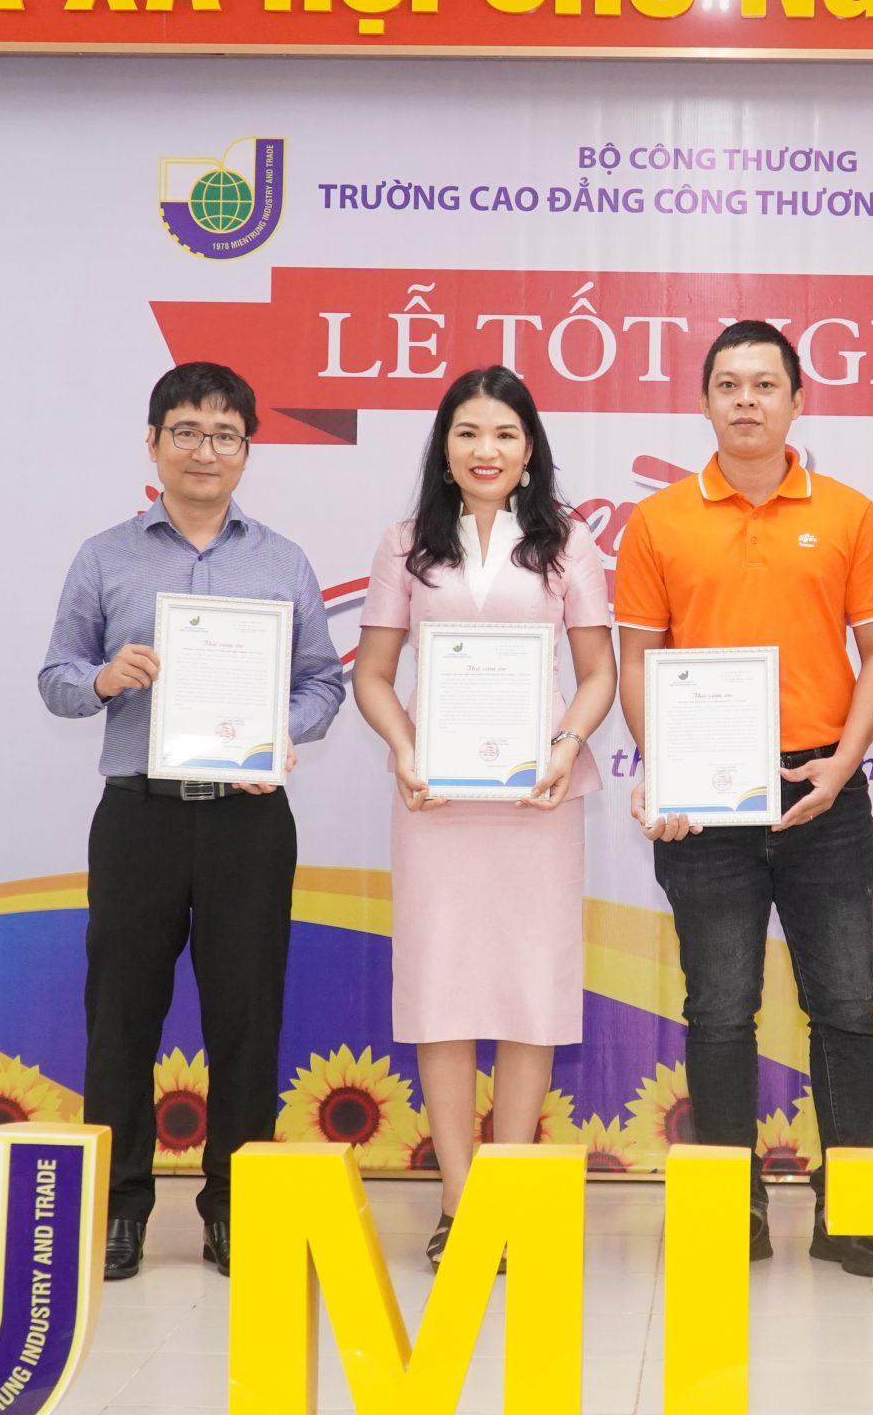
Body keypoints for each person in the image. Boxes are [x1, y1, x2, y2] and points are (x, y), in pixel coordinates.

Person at [37, 361, 347, 1281]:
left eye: (224, 435)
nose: (204, 451)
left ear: (247, 450)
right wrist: (103, 679)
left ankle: (236, 1209)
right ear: (153, 443)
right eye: (186, 432)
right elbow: (55, 677)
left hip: (249, 820)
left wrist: (280, 734)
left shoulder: (282, 561)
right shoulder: (106, 556)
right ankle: (118, 1208)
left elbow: (323, 683)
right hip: (139, 816)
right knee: (120, 1017)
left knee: (247, 1018)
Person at [615, 320, 873, 1278]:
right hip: (706, 803)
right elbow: (636, 661)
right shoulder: (658, 521)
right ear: (704, 401)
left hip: (824, 789)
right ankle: (729, 1206)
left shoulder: (849, 514)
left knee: (847, 1005)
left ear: (797, 400)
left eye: (765, 384)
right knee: (719, 1008)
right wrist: (666, 768)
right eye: (729, 385)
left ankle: (852, 1210)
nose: (747, 400)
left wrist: (844, 764)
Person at [351, 366, 617, 1268]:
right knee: (444, 992)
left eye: (504, 433)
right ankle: (459, 1202)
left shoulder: (568, 544)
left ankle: (506, 1192)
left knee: (528, 993)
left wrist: (566, 743)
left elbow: (597, 674)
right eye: (468, 433)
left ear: (529, 447)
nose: (486, 450)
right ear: (445, 447)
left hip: (537, 801)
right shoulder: (404, 545)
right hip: (438, 801)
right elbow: (373, 675)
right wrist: (404, 747)